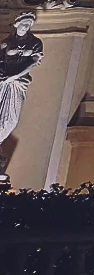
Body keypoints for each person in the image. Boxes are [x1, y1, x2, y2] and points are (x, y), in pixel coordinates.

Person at [0, 11, 43, 178]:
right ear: (16, 24)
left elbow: (33, 62)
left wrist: (15, 76)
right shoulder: (6, 43)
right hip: (3, 82)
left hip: (18, 84)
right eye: (23, 24)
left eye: (28, 25)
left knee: (11, 120)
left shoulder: (35, 43)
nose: (26, 27)